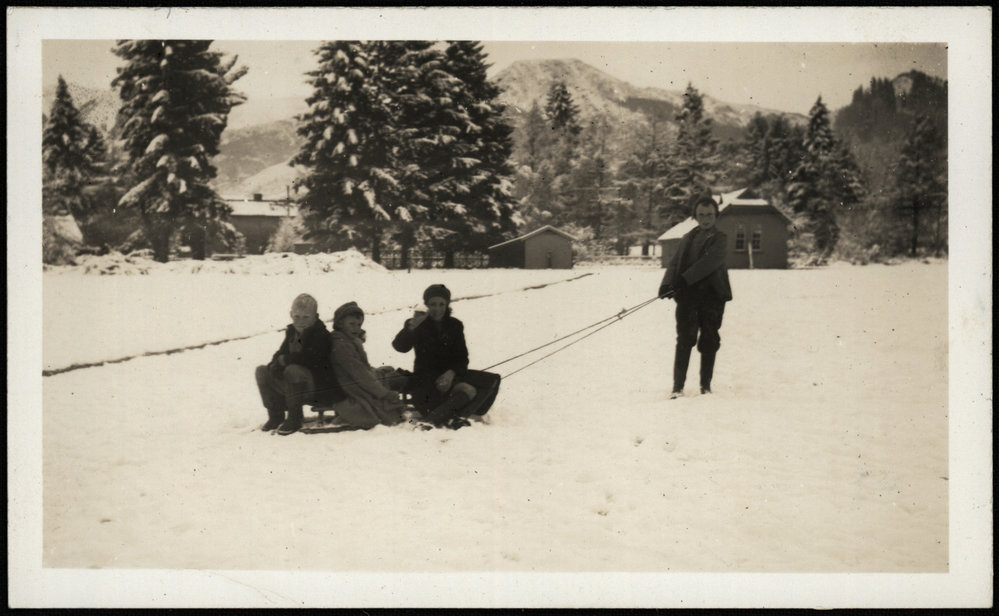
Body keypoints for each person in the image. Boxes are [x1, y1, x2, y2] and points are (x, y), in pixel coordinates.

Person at [392, 284, 501, 429]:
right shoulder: (417, 323)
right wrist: (412, 327)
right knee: (468, 390)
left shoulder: (455, 325)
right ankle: (437, 420)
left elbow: (462, 358)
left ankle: (461, 415)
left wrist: (451, 373)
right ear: (426, 305)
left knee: (492, 379)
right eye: (432, 304)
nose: (437, 309)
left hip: (451, 375)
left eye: (441, 304)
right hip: (426, 378)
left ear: (447, 305)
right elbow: (400, 347)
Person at [658, 194, 733, 398]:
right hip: (688, 297)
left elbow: (710, 262)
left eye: (709, 214)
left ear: (716, 216)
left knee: (709, 340)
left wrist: (684, 279)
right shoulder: (688, 237)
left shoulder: (720, 238)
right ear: (695, 216)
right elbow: (675, 262)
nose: (705, 218)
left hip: (712, 297)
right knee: (684, 339)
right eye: (701, 214)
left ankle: (705, 387)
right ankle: (677, 387)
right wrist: (666, 284)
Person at [255, 293, 341, 435]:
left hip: (319, 388)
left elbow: (311, 359)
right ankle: (276, 415)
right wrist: (274, 364)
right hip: (296, 387)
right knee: (262, 370)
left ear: (315, 316)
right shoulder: (292, 332)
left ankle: (295, 417)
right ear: (291, 315)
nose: (301, 321)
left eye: (306, 317)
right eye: (297, 316)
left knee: (293, 370)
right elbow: (280, 352)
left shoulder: (321, 334)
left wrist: (286, 360)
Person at [328, 301, 409, 429]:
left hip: (355, 381)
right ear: (340, 324)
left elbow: (361, 368)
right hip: (353, 387)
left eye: (359, 325)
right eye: (352, 324)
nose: (356, 328)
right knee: (387, 408)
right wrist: (384, 393)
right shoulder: (341, 345)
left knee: (388, 371)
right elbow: (360, 374)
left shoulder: (349, 340)